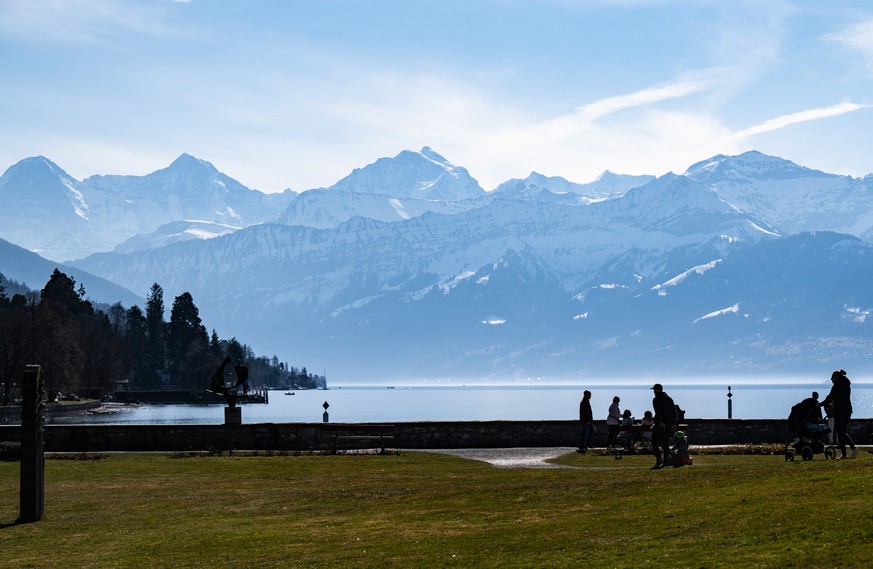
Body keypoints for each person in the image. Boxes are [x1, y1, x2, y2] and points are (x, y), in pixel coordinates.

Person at [820, 369, 857, 459]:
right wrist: (835, 402)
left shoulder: (837, 385)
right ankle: (853, 448)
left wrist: (820, 404)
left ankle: (844, 454)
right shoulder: (846, 384)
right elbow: (841, 397)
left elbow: (830, 396)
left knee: (840, 432)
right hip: (847, 410)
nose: (831, 379)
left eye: (832, 377)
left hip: (840, 411)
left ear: (836, 377)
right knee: (842, 432)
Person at [650, 383, 678, 469]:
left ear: (658, 390)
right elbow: (674, 412)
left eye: (655, 390)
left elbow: (658, 412)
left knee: (654, 441)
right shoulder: (669, 399)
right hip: (668, 424)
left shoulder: (656, 400)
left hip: (660, 423)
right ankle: (666, 459)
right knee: (665, 442)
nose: (654, 391)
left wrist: (661, 421)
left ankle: (659, 458)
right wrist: (673, 423)